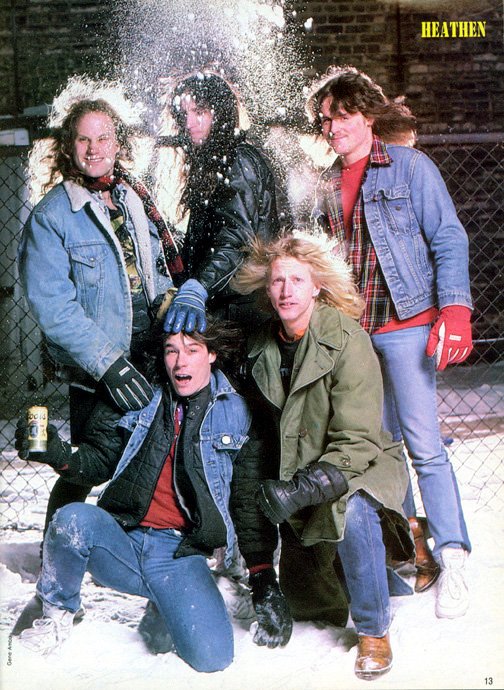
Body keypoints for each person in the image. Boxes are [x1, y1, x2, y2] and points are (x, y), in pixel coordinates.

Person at [13, 317, 292, 671]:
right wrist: (58, 454)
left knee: (213, 658)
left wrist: (264, 577)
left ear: (212, 355)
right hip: (122, 543)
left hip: (178, 556)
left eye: (192, 350)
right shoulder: (139, 396)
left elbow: (247, 504)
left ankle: (164, 604)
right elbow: (98, 461)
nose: (180, 362)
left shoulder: (238, 414)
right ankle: (53, 614)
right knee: (71, 519)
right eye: (171, 351)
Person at [306, 66, 472, 618]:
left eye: (343, 116)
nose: (333, 128)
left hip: (408, 326)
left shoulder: (409, 167)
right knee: (380, 447)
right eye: (325, 119)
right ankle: (410, 545)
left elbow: (448, 237)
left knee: (425, 446)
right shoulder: (324, 184)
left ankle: (454, 556)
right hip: (355, 335)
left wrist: (455, 310)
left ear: (368, 116)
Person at [15, 83, 182, 631]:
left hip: (147, 357)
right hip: (98, 368)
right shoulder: (53, 216)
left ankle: (143, 562)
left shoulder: (133, 199)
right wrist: (106, 363)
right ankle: (55, 566)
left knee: (150, 462)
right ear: (69, 146)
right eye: (84, 140)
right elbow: (53, 306)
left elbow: (153, 273)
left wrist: (171, 311)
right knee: (88, 467)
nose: (94, 149)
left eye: (103, 138)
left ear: (117, 143)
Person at [232, 232, 415, 681]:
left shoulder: (349, 341)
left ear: (317, 287)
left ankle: (374, 630)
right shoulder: (260, 347)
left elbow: (357, 440)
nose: (286, 290)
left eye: (297, 280)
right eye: (278, 280)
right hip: (303, 468)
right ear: (267, 288)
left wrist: (301, 490)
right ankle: (380, 570)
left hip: (363, 462)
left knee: (351, 509)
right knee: (312, 604)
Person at [159, 70, 280, 335]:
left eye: (199, 112)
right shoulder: (217, 160)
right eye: (184, 114)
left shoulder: (236, 160)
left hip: (242, 307)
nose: (189, 123)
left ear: (220, 113)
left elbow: (237, 239)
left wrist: (199, 287)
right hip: (231, 302)